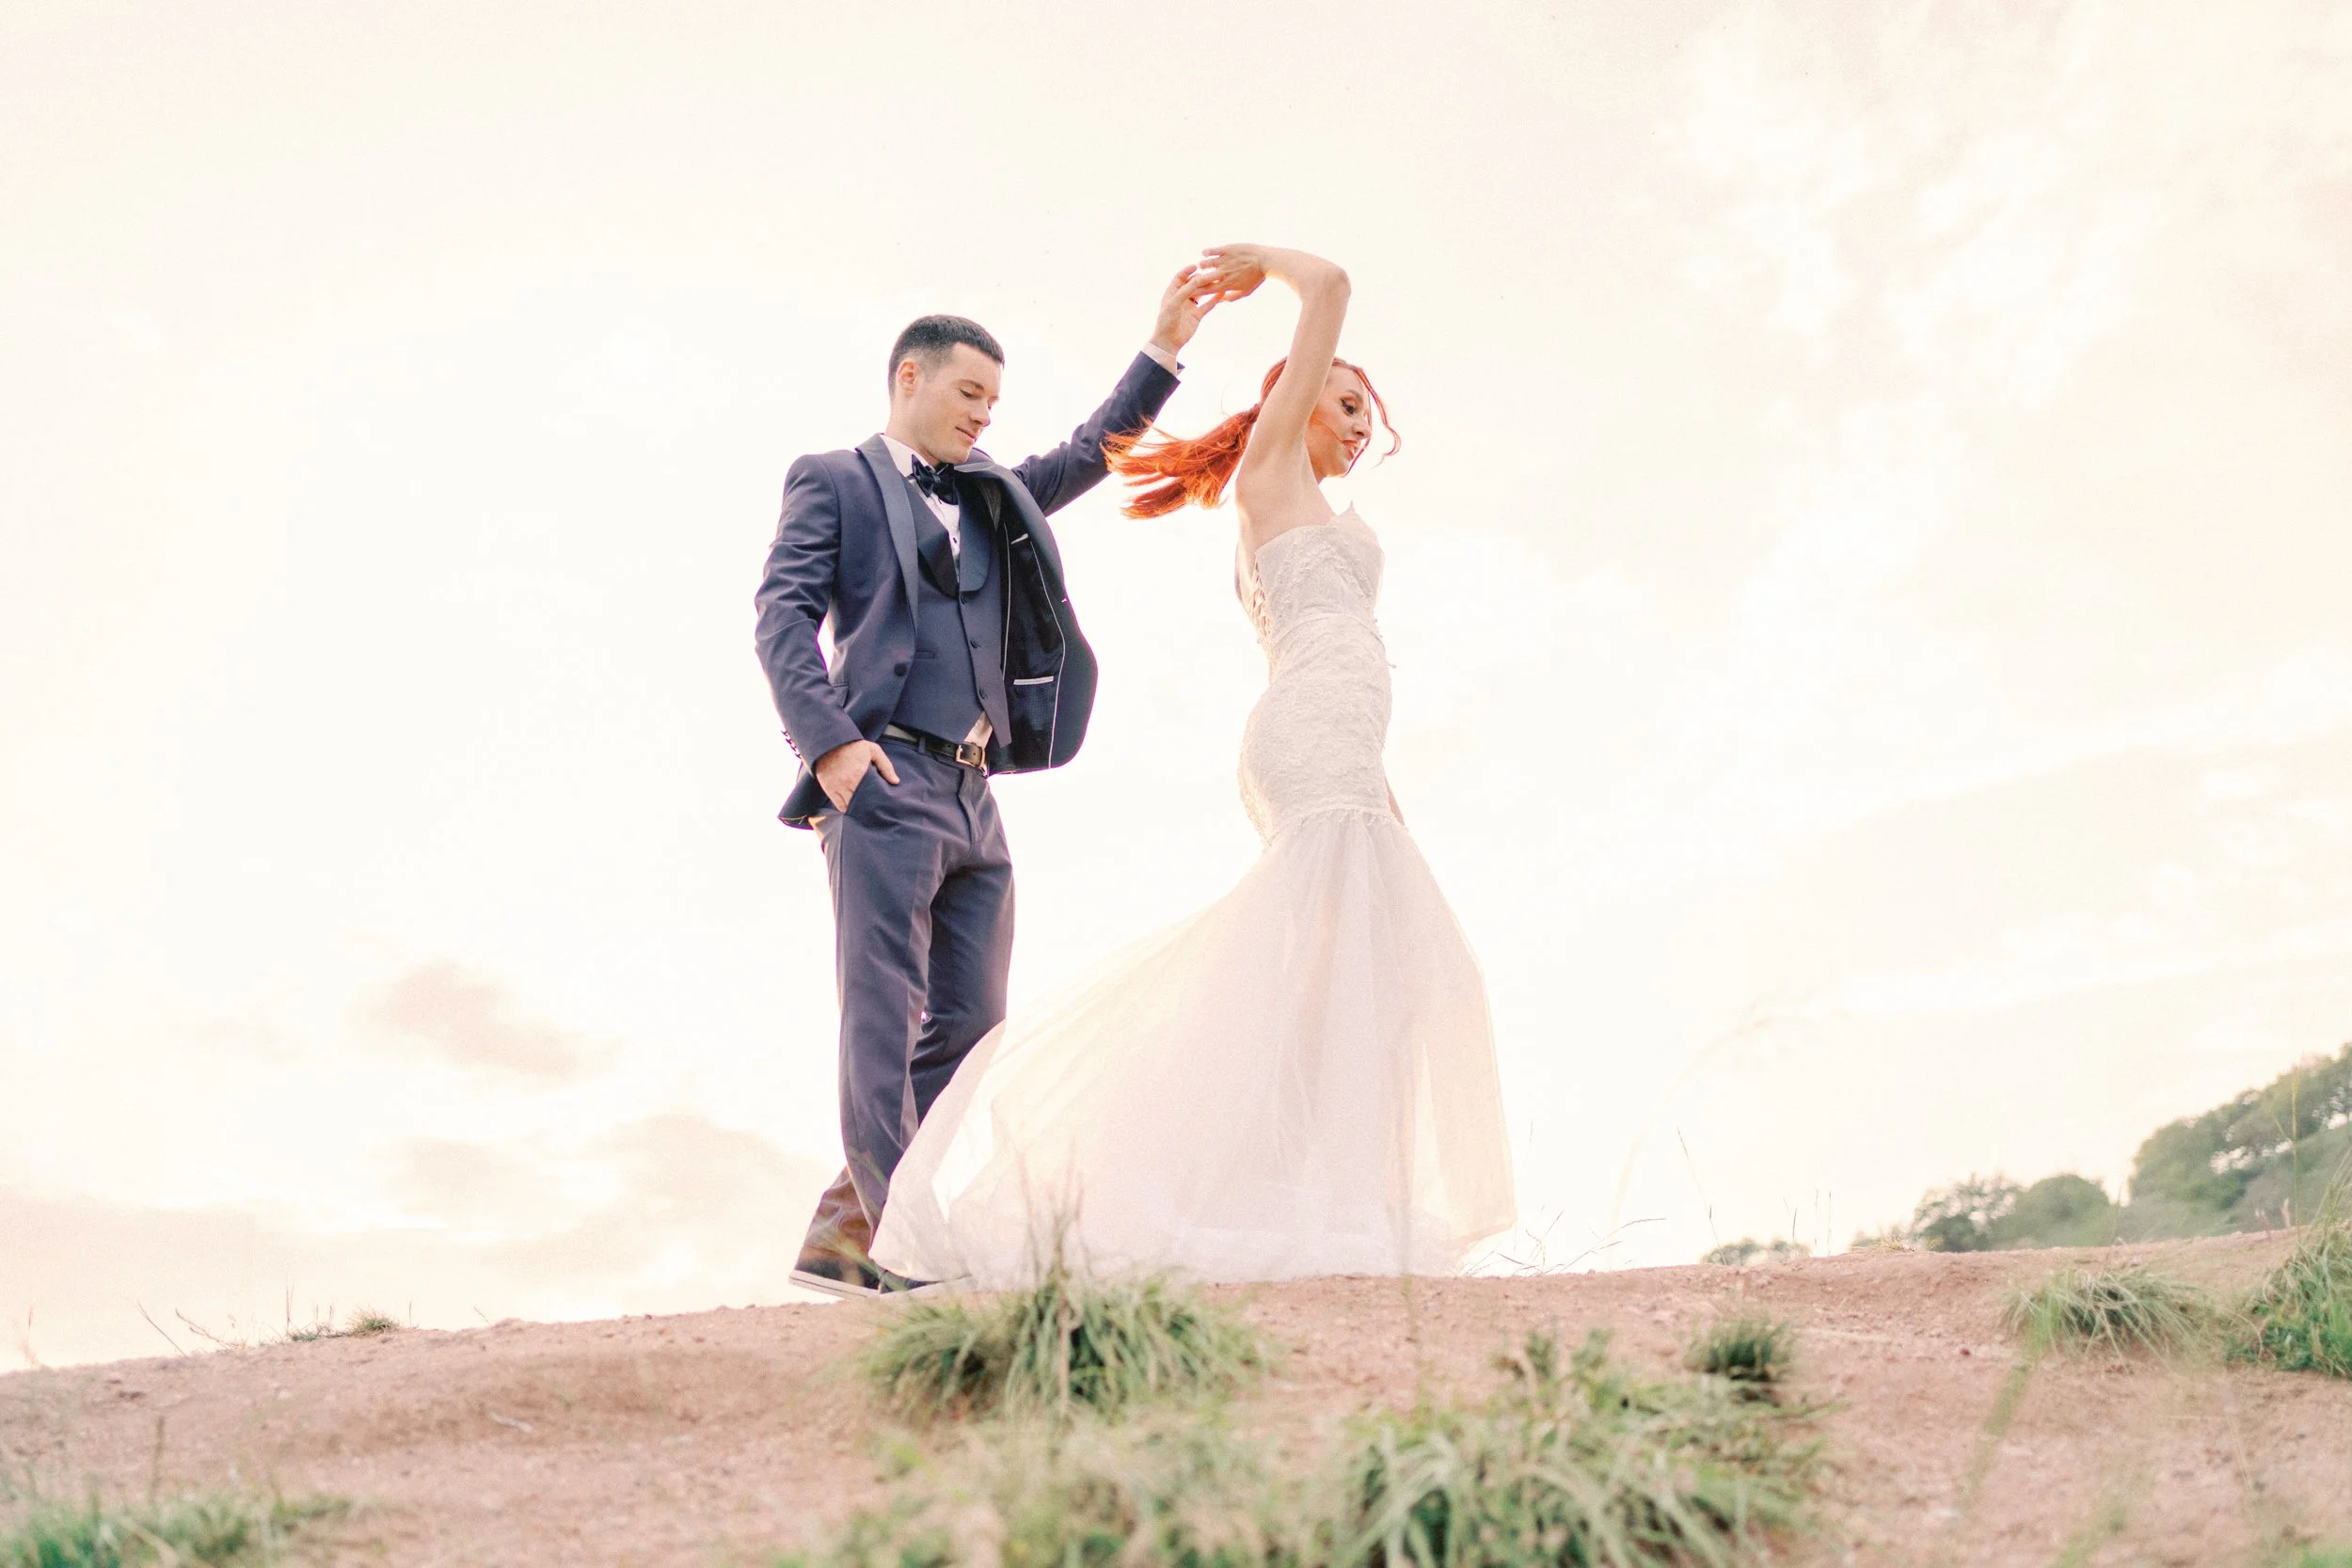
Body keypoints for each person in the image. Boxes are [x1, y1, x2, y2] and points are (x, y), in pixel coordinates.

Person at [871, 245, 1517, 1287]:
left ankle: (1301, 1190)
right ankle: (1191, 1174)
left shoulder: (1320, 513)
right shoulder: (1269, 479)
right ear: (1292, 404)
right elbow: (1336, 288)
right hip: (1309, 742)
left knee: (1365, 970)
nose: (1359, 422)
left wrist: (1388, 800)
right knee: (1328, 966)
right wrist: (1268, 266)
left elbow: (1352, 662)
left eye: (1366, 410)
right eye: (1341, 400)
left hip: (1348, 752)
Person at [755, 267, 1221, 1294]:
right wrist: (829, 744)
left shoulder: (993, 493)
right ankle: (894, 1241)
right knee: (881, 1012)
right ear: (910, 376)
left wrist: (1162, 350)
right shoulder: (832, 477)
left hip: (975, 792)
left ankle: (844, 1228)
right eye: (969, 396)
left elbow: (1086, 454)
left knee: (970, 1024)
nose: (983, 417)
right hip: (881, 778)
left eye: (994, 405)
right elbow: (781, 615)